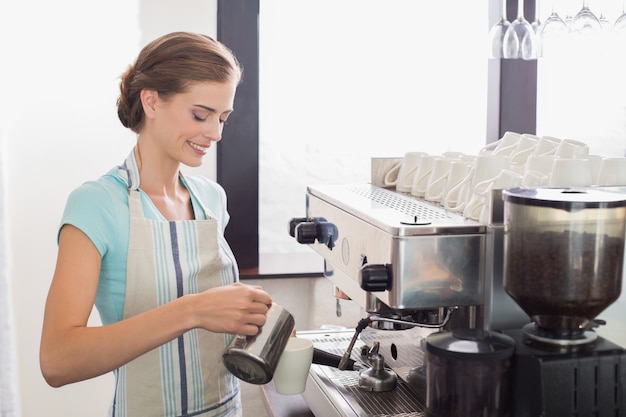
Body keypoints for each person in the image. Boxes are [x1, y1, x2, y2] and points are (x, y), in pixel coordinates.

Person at [39, 31, 273, 416]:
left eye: (223, 118)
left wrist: (249, 316)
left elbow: (214, 320)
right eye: (200, 114)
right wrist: (191, 311)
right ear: (151, 100)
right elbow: (57, 361)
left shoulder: (211, 198)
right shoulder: (96, 205)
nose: (214, 133)